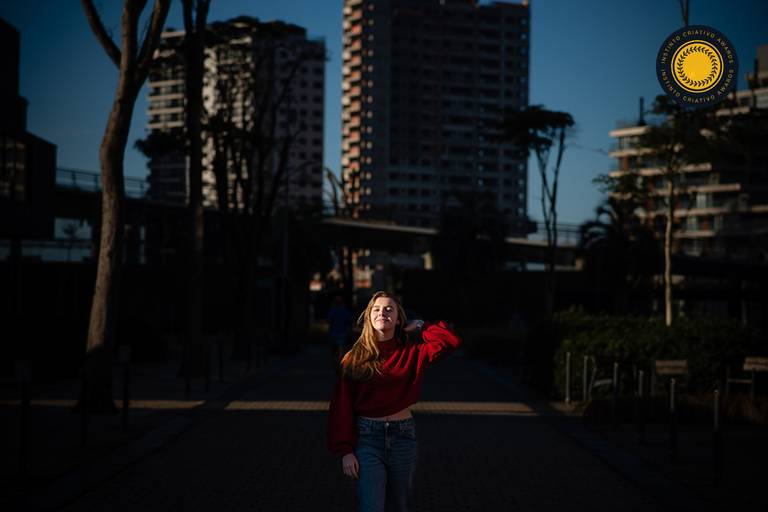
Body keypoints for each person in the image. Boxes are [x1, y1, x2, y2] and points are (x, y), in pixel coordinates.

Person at [326, 291, 462, 512]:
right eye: (377, 309)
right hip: (368, 440)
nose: (383, 313)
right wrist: (345, 450)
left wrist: (420, 325)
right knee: (371, 506)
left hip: (403, 438)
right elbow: (341, 407)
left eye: (390, 309)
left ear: (399, 318)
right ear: (369, 316)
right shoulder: (353, 358)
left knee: (398, 506)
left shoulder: (412, 353)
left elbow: (450, 341)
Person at [326, 295, 353, 367]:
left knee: (334, 349)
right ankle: (340, 363)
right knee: (341, 348)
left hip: (334, 332)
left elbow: (328, 320)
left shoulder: (333, 310)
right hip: (342, 332)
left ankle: (334, 362)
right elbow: (350, 322)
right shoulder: (345, 311)